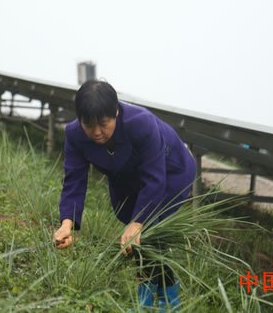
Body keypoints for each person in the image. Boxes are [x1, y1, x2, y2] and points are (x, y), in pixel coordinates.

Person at [53, 80, 196, 310]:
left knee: (148, 232)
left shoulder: (141, 123)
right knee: (137, 232)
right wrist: (66, 224)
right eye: (89, 125)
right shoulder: (75, 135)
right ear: (79, 119)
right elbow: (74, 180)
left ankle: (155, 303)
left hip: (170, 173)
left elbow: (154, 179)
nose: (97, 132)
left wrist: (138, 222)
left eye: (103, 124)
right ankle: (164, 299)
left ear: (116, 112)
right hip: (126, 178)